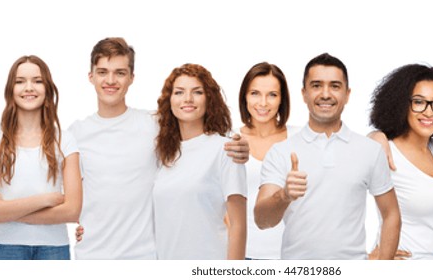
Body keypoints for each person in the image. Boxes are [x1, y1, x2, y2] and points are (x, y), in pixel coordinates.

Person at [69, 37, 249, 260]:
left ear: (132, 78)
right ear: (91, 76)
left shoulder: (154, 126)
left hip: (146, 257)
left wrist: (241, 145)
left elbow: (197, 138)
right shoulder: (74, 134)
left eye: (120, 72)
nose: (111, 80)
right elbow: (70, 195)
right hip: (93, 255)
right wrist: (83, 222)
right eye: (103, 72)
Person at [254, 53, 401, 260]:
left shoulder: (369, 150)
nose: (325, 94)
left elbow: (391, 214)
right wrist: (284, 195)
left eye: (335, 86)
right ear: (304, 94)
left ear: (347, 94)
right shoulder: (281, 152)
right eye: (316, 85)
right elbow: (262, 220)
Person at [0, 56, 82, 260]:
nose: (29, 87)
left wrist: (5, 208)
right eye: (20, 81)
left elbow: (72, 211)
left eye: (37, 81)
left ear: (47, 88)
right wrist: (44, 200)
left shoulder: (65, 140)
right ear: (10, 90)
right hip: (7, 248)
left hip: (54, 249)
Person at [367, 64, 433, 260]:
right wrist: (368, 258)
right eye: (419, 102)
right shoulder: (385, 151)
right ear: (401, 104)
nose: (429, 112)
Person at [151, 63, 247, 260]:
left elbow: (238, 225)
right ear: (169, 100)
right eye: (179, 92)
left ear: (209, 99)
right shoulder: (163, 153)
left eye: (197, 92)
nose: (187, 99)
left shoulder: (226, 149)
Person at [236, 62, 295, 260]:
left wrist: (378, 136)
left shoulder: (300, 138)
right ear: (244, 96)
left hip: (292, 255)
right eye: (255, 93)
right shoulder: (229, 140)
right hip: (241, 254)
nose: (263, 103)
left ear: (282, 100)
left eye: (272, 94)